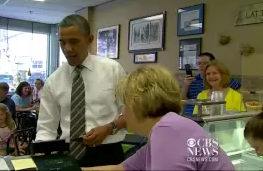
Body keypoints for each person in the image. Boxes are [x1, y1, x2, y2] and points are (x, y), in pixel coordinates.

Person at [82, 66, 234, 171]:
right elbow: (121, 168)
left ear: (137, 104)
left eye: (125, 105)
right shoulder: (169, 126)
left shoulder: (167, 130)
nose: (123, 112)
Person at [36, 14, 127, 167]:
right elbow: (46, 127)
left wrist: (109, 128)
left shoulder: (113, 70)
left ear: (90, 39)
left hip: (108, 154)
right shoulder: (53, 80)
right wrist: (41, 157)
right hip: (68, 155)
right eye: (62, 42)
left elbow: (131, 112)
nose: (67, 49)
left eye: (74, 41)